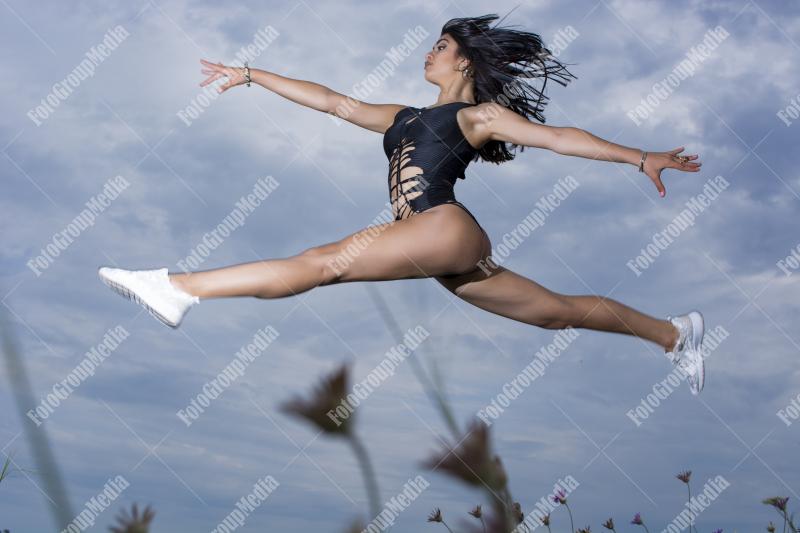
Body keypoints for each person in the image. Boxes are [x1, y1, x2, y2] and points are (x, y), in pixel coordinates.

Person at [98, 14, 706, 394]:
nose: (427, 52)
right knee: (556, 313)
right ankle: (673, 334)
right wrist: (253, 74)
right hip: (441, 247)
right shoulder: (403, 116)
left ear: (463, 59)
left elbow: (558, 137)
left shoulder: (478, 115)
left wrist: (639, 157)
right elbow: (332, 101)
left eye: (439, 45)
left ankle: (179, 287)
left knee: (323, 262)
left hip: (442, 226)